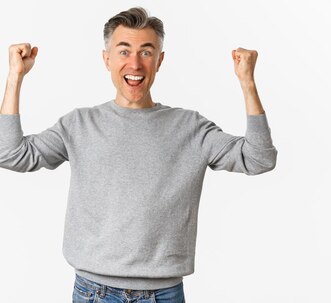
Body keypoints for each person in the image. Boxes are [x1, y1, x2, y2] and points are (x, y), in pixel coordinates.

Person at [0, 7, 277, 303]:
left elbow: (259, 158)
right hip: (93, 292)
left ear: (160, 61)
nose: (135, 63)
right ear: (107, 60)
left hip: (164, 293)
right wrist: (15, 77)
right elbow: (11, 154)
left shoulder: (191, 128)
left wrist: (247, 81)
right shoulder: (79, 124)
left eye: (146, 52)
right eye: (123, 51)